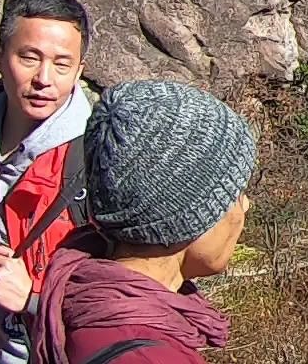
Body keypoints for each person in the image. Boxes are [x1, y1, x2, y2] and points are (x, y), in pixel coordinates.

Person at [30, 80, 257, 364]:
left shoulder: (83, 297)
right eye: (234, 193)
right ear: (186, 217)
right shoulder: (147, 356)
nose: (244, 205)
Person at [0, 0, 95, 364]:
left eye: (62, 64)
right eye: (29, 58)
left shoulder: (96, 160)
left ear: (80, 71)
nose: (44, 78)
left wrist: (33, 299)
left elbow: (128, 296)